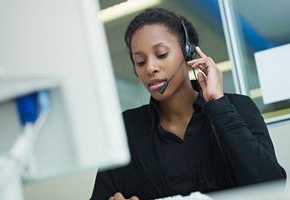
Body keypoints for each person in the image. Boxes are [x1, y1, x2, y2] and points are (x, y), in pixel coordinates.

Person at [90, 7, 286, 200]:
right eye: (140, 62)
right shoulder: (127, 128)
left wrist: (218, 105)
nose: (150, 68)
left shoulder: (238, 107)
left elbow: (272, 184)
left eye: (161, 54)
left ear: (187, 52)